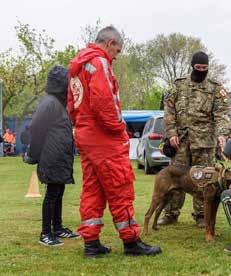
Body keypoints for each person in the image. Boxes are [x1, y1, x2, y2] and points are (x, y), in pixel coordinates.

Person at [68, 26, 161, 257]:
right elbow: (105, 102)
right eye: (117, 50)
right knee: (120, 186)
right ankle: (131, 241)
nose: (116, 56)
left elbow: (71, 103)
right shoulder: (99, 63)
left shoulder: (77, 66)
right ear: (109, 43)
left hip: (85, 133)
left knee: (93, 189)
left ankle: (91, 242)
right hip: (104, 138)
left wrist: (81, 125)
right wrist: (119, 129)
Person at [160, 51, 231, 227]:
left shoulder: (215, 89)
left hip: (205, 143)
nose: (201, 71)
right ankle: (170, 213)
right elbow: (169, 111)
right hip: (181, 142)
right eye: (198, 68)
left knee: (204, 179)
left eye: (204, 68)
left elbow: (223, 114)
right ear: (192, 66)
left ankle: (201, 215)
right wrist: (171, 133)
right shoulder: (178, 86)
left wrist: (222, 134)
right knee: (176, 179)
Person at [24, 65, 79, 246]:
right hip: (51, 157)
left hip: (60, 157)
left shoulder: (58, 104)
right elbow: (36, 129)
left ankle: (58, 227)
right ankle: (46, 233)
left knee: (59, 191)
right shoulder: (49, 103)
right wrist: (33, 155)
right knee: (52, 193)